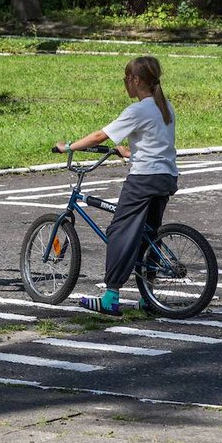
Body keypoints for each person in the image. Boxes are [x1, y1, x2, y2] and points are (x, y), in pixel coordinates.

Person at [54, 55, 178, 316]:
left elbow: (101, 135)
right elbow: (155, 141)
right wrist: (128, 151)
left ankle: (111, 296)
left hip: (143, 178)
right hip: (166, 176)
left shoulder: (138, 109)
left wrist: (69, 146)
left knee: (119, 231)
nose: (125, 84)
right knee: (148, 233)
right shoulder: (166, 106)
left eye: (126, 79)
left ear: (135, 80)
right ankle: (148, 297)